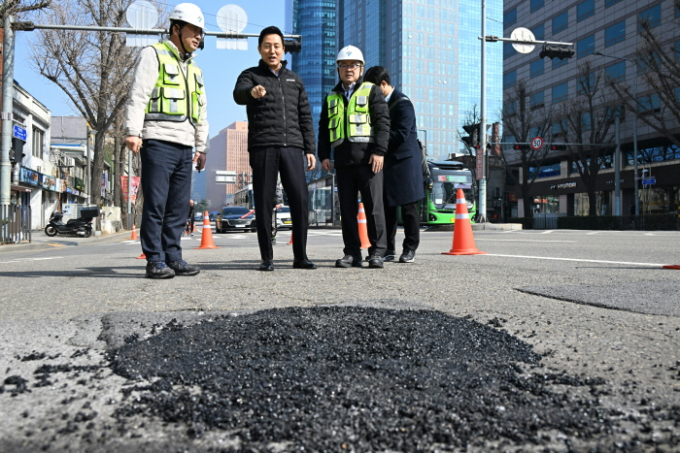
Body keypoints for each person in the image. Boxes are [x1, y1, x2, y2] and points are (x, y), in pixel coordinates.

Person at [124, 3, 208, 279]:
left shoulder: (195, 69)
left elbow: (202, 110)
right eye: (193, 30)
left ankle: (173, 256)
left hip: (185, 146)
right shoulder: (154, 54)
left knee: (179, 207)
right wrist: (133, 131)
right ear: (176, 28)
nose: (198, 36)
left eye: (201, 32)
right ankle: (155, 260)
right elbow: (138, 94)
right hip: (158, 140)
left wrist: (202, 146)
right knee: (156, 205)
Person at [233, 26, 317, 271]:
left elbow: (305, 117)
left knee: (301, 199)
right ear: (260, 49)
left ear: (283, 49)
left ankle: (300, 256)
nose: (272, 50)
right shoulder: (250, 75)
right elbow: (238, 95)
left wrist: (309, 149)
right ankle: (266, 257)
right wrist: (251, 92)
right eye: (267, 46)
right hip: (263, 146)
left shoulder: (295, 80)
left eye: (277, 46)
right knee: (264, 201)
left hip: (292, 146)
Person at [318, 46, 391, 269]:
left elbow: (382, 123)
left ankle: (377, 252)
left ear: (361, 68)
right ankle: (352, 253)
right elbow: (323, 129)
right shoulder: (331, 96)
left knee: (374, 208)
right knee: (347, 211)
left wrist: (379, 152)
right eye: (344, 65)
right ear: (338, 69)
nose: (349, 69)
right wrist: (324, 156)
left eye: (353, 65)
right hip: (343, 162)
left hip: (369, 160)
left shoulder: (371, 91)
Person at [363, 66, 424, 263]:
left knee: (408, 208)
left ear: (383, 84)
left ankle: (410, 249)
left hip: (405, 162)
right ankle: (388, 249)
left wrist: (377, 137)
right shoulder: (378, 105)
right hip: (387, 162)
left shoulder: (403, 103)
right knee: (386, 208)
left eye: (373, 89)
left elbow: (402, 134)